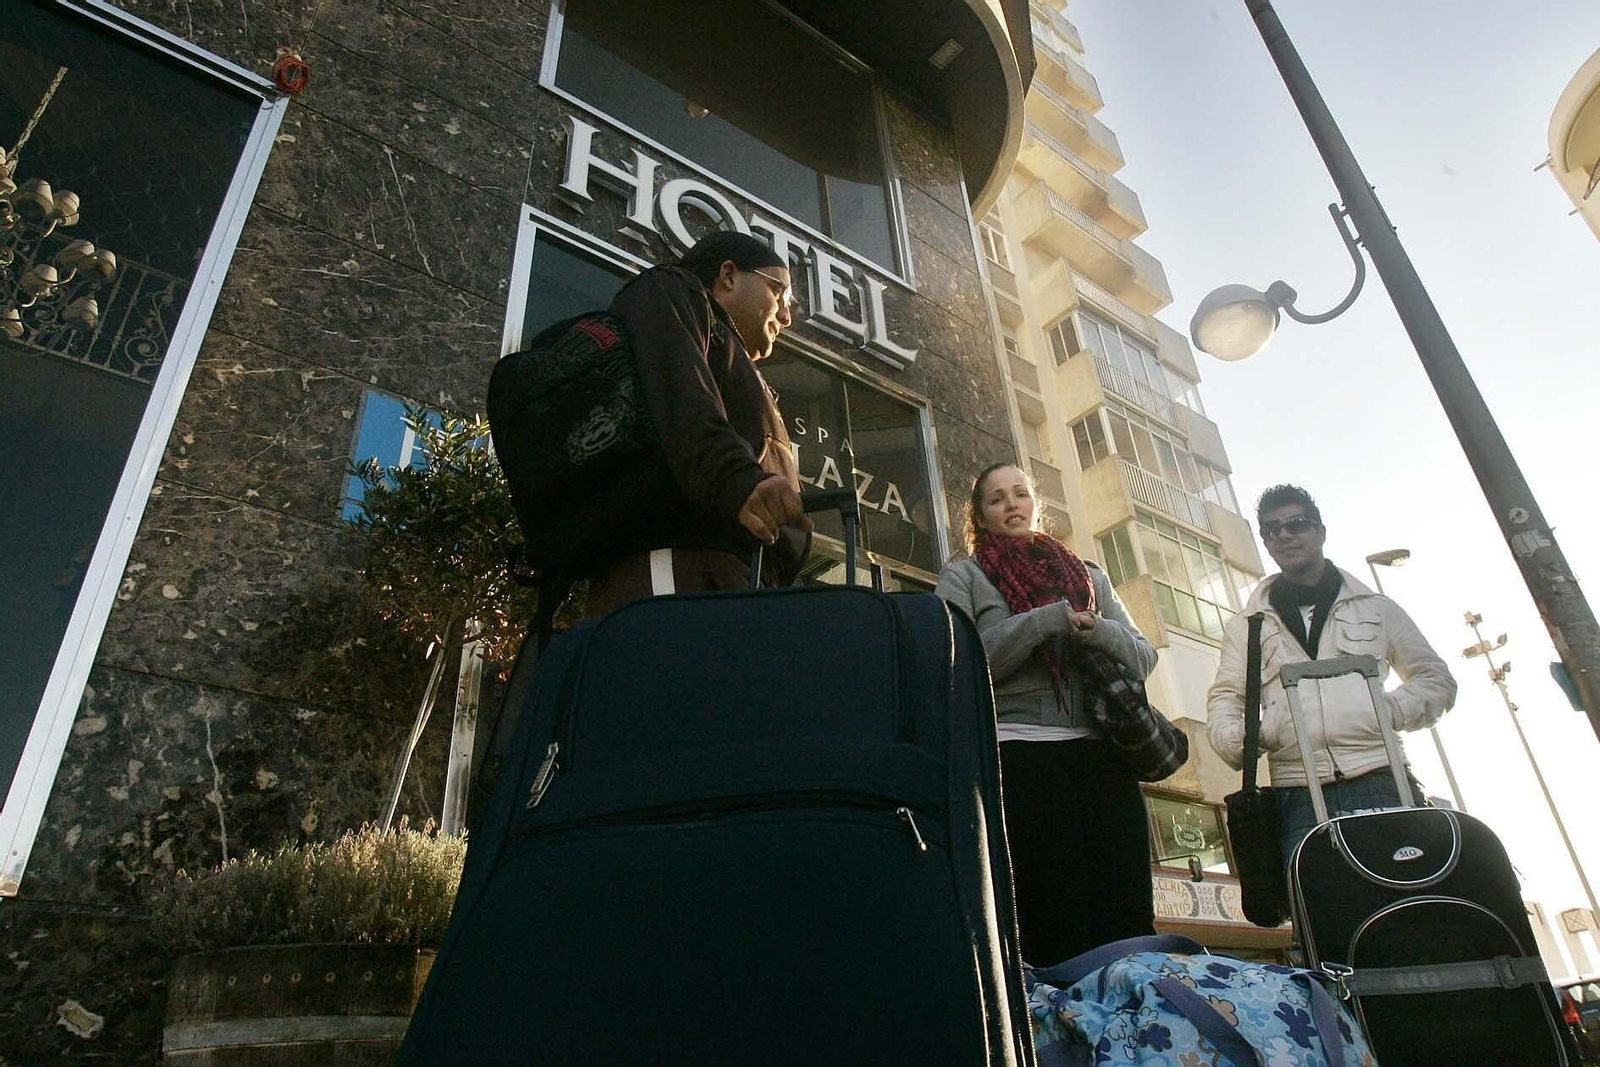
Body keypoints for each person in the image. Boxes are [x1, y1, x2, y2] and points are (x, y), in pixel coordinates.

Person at [935, 462, 1159, 965]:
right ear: (981, 515)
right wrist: (1041, 622)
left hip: (1103, 755)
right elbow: (955, 661)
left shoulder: (1088, 573)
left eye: (1020, 493)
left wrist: (1094, 628)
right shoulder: (965, 576)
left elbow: (1144, 658)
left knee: (1127, 916)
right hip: (1020, 758)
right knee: (1055, 916)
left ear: (1036, 505)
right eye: (997, 499)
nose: (1012, 504)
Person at [1206, 484, 1457, 863]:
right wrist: (1247, 736)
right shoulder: (1247, 625)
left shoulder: (1376, 608)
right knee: (1320, 907)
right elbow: (1225, 698)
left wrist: (1385, 712)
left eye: (1297, 524)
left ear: (1320, 531)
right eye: (1272, 530)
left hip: (1378, 775)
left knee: (1397, 902)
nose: (1285, 536)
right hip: (1295, 790)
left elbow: (1436, 680)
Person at [584, 231, 812, 616]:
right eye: (780, 294)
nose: (787, 316)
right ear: (729, 275)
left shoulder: (738, 364)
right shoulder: (668, 292)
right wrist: (737, 481)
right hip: (683, 564)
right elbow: (683, 399)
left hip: (743, 575)